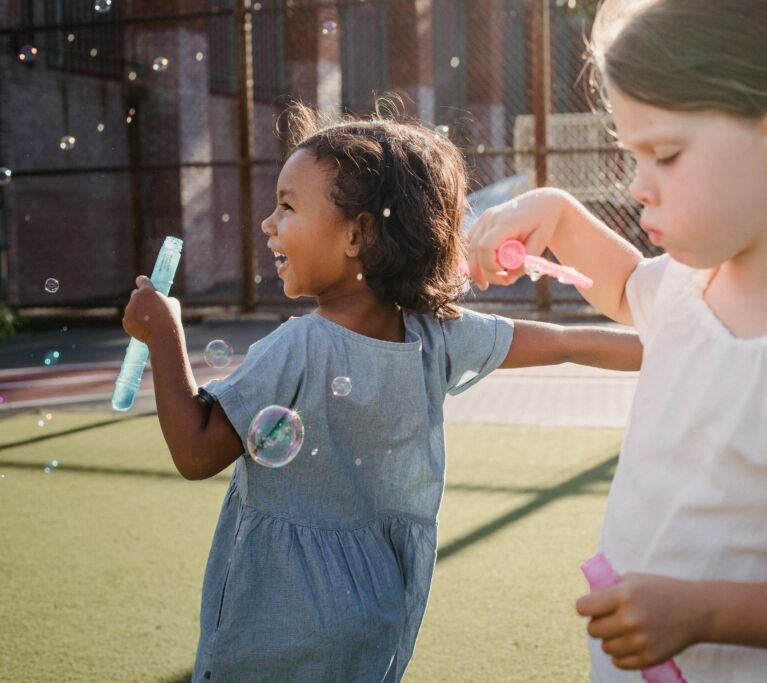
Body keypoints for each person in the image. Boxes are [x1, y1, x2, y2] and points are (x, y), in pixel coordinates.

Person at [466, 1, 767, 681]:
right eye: (632, 155)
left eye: (664, 154)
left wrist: (700, 611)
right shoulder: (692, 283)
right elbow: (626, 282)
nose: (638, 186)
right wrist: (553, 211)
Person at [121, 102, 641, 682]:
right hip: (378, 608)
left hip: (278, 612)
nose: (269, 223)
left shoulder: (300, 346)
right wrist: (677, 347)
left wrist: (163, 334)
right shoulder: (435, 333)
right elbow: (569, 342)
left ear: (359, 235)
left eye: (287, 206)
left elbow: (196, 451)